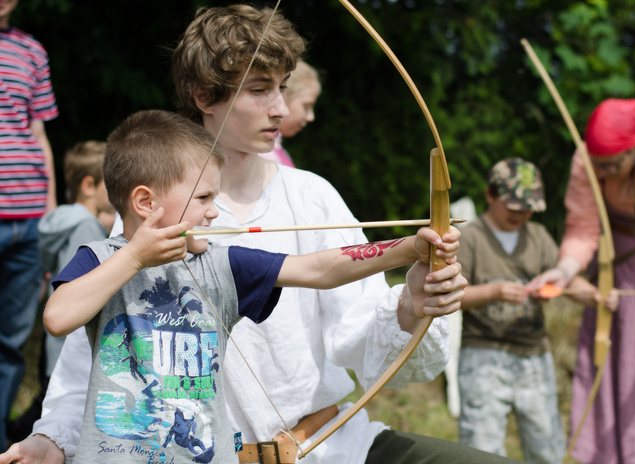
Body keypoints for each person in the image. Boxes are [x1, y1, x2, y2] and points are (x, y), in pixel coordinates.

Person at [0, 5, 518, 464]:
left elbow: (333, 283)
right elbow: (93, 360)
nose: (281, 109)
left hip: (331, 445)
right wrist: (52, 438)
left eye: (283, 87)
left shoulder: (311, 194)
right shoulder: (153, 226)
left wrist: (411, 292)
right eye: (259, 88)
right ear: (205, 95)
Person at [42, 108, 460, 463]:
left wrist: (409, 247)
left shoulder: (219, 263)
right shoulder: (101, 259)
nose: (213, 212)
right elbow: (58, 318)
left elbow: (319, 269)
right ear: (146, 203)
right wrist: (135, 257)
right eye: (203, 199)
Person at [527, 98, 635, 463]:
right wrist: (564, 272)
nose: (602, 170)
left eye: (611, 164)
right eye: (598, 164)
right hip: (616, 270)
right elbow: (582, 229)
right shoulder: (587, 159)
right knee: (617, 367)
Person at [456, 158, 611, 463]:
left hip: (534, 356)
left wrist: (597, 296)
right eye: (513, 206)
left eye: (528, 208)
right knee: (481, 446)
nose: (520, 214)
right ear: (490, 195)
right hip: (482, 356)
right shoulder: (470, 237)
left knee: (545, 445)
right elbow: (453, 296)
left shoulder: (538, 237)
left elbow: (566, 280)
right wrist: (493, 292)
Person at [7, 141, 113, 442]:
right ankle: (17, 439)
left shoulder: (61, 221)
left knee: (47, 400)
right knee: (55, 409)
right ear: (89, 186)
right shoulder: (86, 230)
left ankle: (15, 435)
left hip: (53, 341)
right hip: (69, 341)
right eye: (111, 182)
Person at [0, 0, 59, 451]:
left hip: (30, 217)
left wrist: (50, 212)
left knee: (11, 342)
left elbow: (38, 135)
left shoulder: (31, 51)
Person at [258, 60, 320, 167]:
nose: (311, 117)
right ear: (284, 98)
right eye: (306, 106)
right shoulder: (264, 156)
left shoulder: (278, 149)